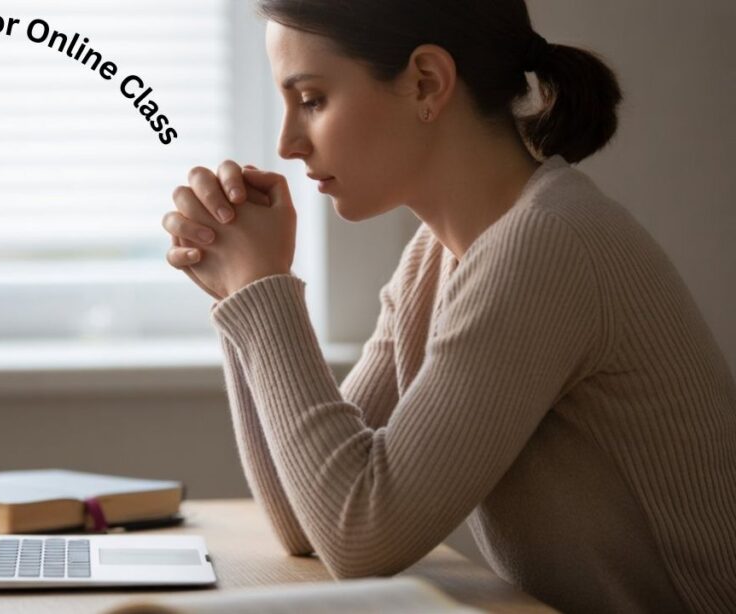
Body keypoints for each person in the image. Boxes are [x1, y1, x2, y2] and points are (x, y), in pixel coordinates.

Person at [160, 1, 736, 612]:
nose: (288, 143)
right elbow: (309, 519)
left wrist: (260, 286)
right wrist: (241, 290)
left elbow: (359, 533)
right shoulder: (438, 258)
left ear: (426, 83)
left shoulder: (548, 244)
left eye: (312, 100)